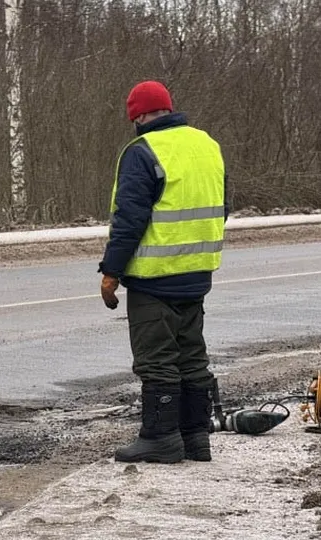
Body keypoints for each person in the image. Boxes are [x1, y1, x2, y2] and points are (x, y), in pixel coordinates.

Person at [98, 81, 227, 463]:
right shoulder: (207, 145)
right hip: (197, 272)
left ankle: (160, 437)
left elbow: (130, 220)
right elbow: (223, 205)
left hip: (155, 278)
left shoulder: (142, 151)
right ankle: (195, 438)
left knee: (156, 359)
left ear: (136, 116)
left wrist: (111, 272)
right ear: (169, 108)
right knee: (191, 357)